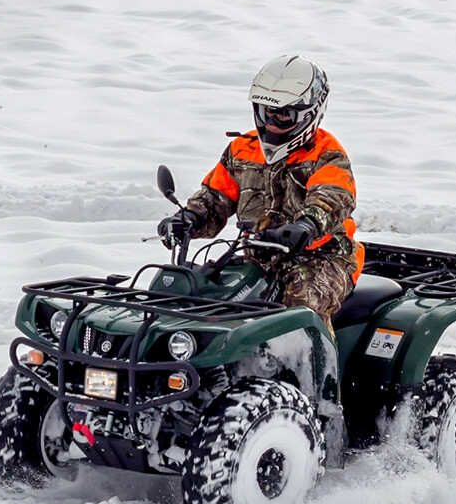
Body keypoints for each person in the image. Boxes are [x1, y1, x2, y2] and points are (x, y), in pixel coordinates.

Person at [156, 55, 364, 328]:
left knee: (300, 306)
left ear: (310, 114)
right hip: (257, 257)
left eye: (284, 115)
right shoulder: (242, 151)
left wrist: (307, 225)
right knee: (198, 293)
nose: (273, 123)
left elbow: (332, 197)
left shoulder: (326, 155)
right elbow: (215, 198)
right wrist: (189, 219)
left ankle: (316, 369)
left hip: (322, 259)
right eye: (267, 112)